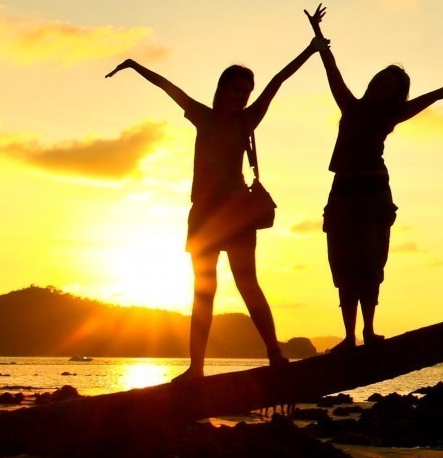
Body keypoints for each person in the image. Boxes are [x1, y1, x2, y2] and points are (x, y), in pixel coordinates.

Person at [106, 26, 325, 379]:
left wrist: (311, 48)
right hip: (205, 214)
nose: (239, 95)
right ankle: (196, 368)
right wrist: (134, 65)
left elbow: (279, 81)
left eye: (245, 91)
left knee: (248, 284)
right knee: (203, 292)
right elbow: (167, 87)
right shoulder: (201, 115)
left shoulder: (247, 119)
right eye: (234, 88)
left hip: (236, 212)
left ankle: (275, 354)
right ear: (221, 88)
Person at [305, 5, 443, 348]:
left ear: (396, 93)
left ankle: (367, 331)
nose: (381, 86)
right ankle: (349, 336)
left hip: (374, 192)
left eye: (389, 84)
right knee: (343, 261)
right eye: (380, 79)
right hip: (344, 190)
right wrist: (318, 33)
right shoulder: (350, 105)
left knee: (371, 260)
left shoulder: (394, 113)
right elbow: (330, 68)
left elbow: (436, 95)